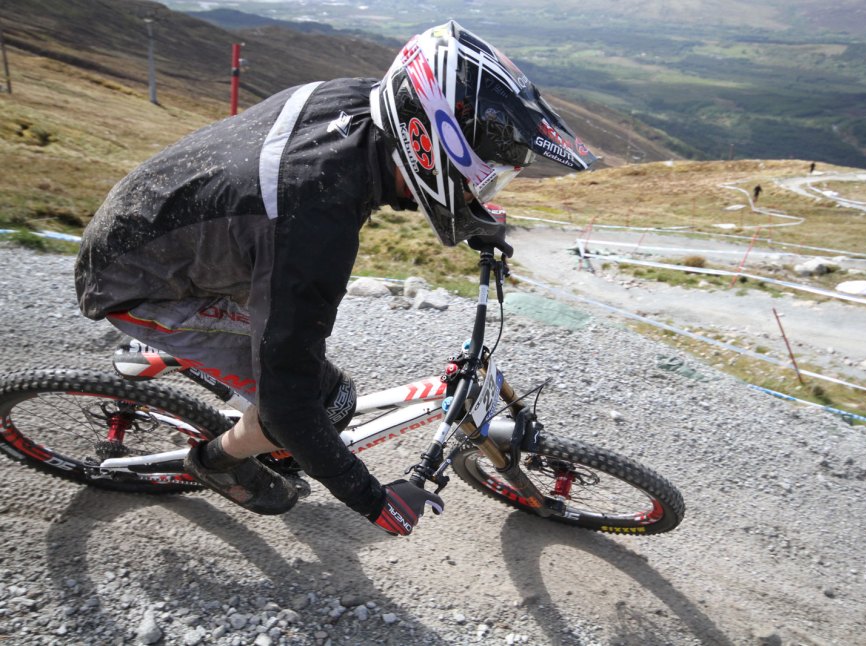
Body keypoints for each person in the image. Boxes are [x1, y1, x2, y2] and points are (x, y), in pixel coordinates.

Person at [74, 21, 596, 536]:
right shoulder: (312, 228)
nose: (480, 189)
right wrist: (373, 500)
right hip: (140, 283)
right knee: (329, 401)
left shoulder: (358, 104)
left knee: (286, 355)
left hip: (151, 222)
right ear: (431, 142)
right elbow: (292, 406)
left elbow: (398, 177)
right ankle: (217, 460)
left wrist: (474, 220)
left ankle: (200, 365)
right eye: (484, 175)